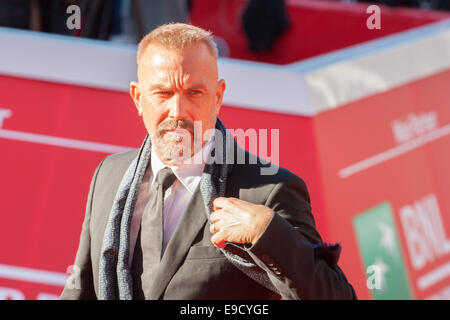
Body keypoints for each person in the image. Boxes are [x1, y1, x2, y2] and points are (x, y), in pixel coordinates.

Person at [60, 23, 356, 300]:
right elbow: (81, 289)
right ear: (138, 98)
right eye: (162, 93)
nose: (178, 111)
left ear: (218, 96)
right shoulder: (109, 174)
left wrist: (268, 232)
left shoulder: (269, 190)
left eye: (194, 93)